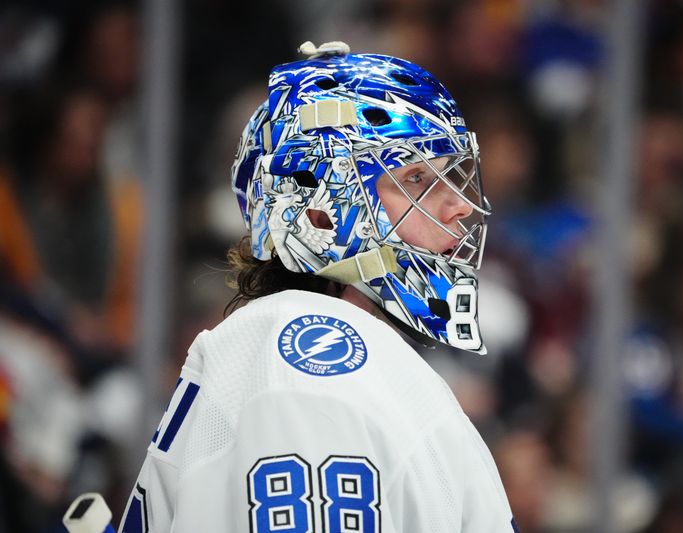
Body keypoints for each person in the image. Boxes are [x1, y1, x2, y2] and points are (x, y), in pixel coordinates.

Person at [120, 41, 516, 533]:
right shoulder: (314, 372)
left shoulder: (322, 357)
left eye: (452, 174)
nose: (458, 206)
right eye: (417, 177)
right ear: (320, 208)